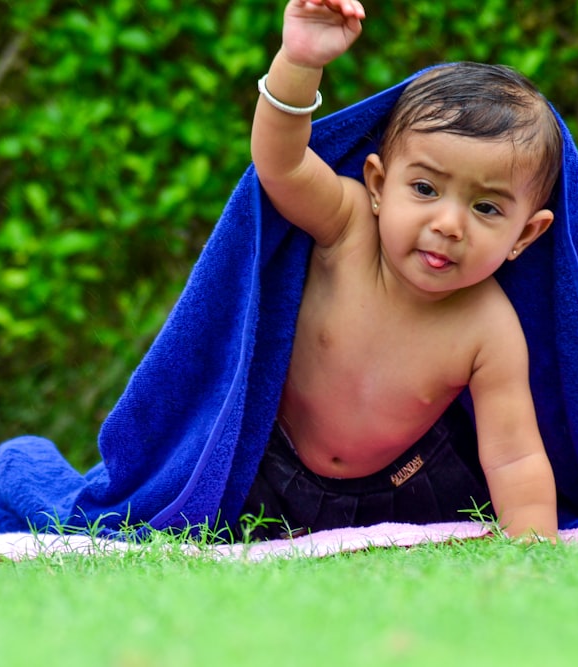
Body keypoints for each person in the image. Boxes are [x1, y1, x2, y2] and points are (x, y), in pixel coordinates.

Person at [240, 0, 560, 540]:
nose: (449, 223)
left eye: (486, 208)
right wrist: (299, 60)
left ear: (525, 235)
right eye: (425, 188)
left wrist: (536, 554)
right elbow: (281, 163)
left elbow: (514, 457)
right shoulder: (346, 228)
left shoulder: (489, 328)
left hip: (411, 485)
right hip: (272, 469)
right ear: (377, 185)